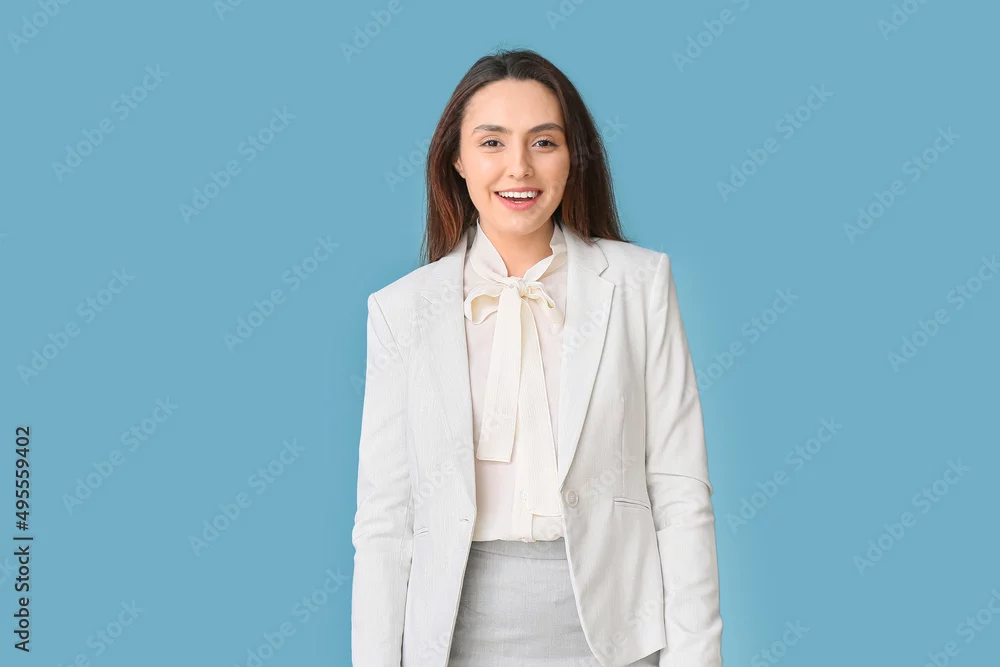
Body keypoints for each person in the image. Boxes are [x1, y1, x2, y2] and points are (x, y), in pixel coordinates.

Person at [352, 48, 722, 667]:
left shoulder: (638, 285)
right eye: (492, 143)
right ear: (457, 160)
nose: (519, 167)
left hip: (619, 637)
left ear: (574, 157)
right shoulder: (401, 310)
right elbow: (384, 520)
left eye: (544, 142)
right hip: (454, 638)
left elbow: (680, 491)